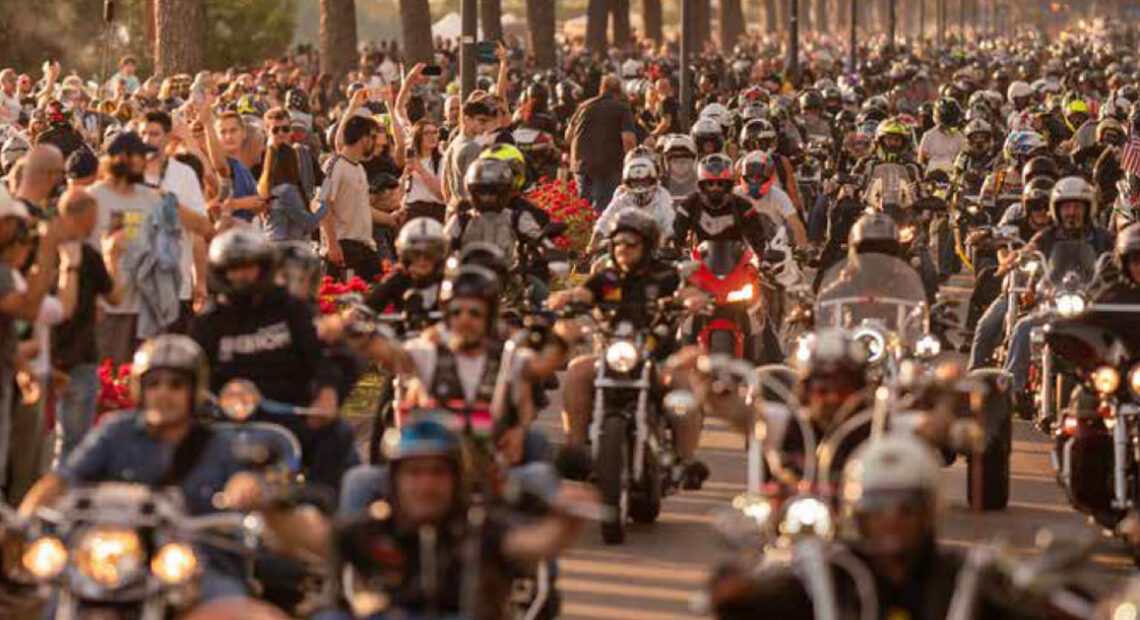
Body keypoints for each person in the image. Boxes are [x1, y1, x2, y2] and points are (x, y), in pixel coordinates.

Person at [20, 334, 320, 602]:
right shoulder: (116, 432)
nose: (163, 393)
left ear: (194, 391)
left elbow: (251, 488)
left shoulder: (220, 445)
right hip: (119, 561)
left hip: (197, 565)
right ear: (140, 389)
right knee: (48, 597)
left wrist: (247, 489)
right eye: (154, 384)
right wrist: (20, 524)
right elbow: (61, 480)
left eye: (176, 384)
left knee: (230, 607)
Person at [300, 417, 593, 619]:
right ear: (393, 481)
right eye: (414, 473)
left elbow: (538, 542)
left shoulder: (480, 529)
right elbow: (307, 534)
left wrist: (567, 519)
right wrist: (275, 505)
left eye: (437, 473)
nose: (426, 485)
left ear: (456, 480)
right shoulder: (369, 530)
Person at [710, 435, 1020, 619]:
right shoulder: (831, 575)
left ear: (928, 513)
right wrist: (738, 590)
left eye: (906, 508)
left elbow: (1024, 607)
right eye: (877, 509)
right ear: (857, 514)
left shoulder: (963, 577)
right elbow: (768, 601)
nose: (891, 520)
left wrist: (1040, 593)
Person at [550, 210, 709, 488]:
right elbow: (584, 293)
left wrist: (692, 300)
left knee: (682, 383)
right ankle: (576, 449)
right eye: (618, 242)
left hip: (658, 359)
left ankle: (685, 462)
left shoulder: (665, 275)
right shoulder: (606, 276)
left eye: (631, 243)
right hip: (612, 356)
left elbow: (686, 292)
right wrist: (566, 297)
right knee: (577, 370)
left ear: (647, 246)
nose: (623, 248)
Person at [191, 227, 357, 491]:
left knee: (338, 434)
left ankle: (321, 502)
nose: (241, 275)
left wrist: (326, 393)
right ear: (220, 272)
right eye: (233, 269)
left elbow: (319, 357)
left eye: (248, 267)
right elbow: (196, 373)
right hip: (229, 419)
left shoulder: (291, 308)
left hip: (290, 413)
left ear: (264, 268)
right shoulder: (208, 321)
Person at [1002, 176, 1115, 406]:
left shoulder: (1103, 238)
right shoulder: (1047, 236)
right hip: (1053, 304)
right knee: (1023, 328)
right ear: (1057, 209)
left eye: (1077, 207)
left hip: (1092, 307)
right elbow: (1030, 249)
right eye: (1066, 207)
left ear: (1088, 208)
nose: (1071, 212)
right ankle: (1011, 391)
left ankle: (1122, 389)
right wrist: (1020, 256)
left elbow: (1121, 253)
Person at [51, 189, 126, 463]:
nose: (96, 224)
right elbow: (115, 296)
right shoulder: (84, 254)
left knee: (52, 441)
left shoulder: (40, 248)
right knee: (75, 442)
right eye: (94, 217)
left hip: (47, 357)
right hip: (77, 358)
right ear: (85, 217)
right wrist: (113, 257)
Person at [141, 110, 209, 330]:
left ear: (168, 137)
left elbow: (202, 228)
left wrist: (200, 280)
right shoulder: (127, 174)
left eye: (154, 134)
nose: (146, 140)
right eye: (143, 134)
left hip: (177, 288)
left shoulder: (184, 174)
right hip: (137, 291)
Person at [323, 113, 382, 282]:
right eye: (373, 137)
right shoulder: (333, 164)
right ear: (363, 139)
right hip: (343, 248)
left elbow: (362, 208)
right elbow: (322, 204)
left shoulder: (360, 168)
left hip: (365, 248)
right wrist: (332, 244)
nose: (375, 142)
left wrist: (391, 218)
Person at [673, 154, 770, 255]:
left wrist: (763, 255)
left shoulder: (742, 206)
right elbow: (677, 233)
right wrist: (674, 250)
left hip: (738, 260)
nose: (715, 188)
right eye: (710, 184)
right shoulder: (690, 205)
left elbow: (758, 237)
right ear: (702, 186)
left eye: (720, 184)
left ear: (728, 185)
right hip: (699, 260)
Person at [566, 75, 636, 210]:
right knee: (603, 208)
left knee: (584, 208)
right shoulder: (622, 109)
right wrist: (630, 163)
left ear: (601, 89)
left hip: (580, 165)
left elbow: (568, 136)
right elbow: (628, 139)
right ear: (619, 92)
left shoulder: (583, 106)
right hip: (608, 166)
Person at [589, 153, 674, 252]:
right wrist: (593, 244)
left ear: (652, 181)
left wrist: (668, 243)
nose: (640, 186)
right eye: (635, 182)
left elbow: (670, 226)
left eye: (643, 181)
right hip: (623, 252)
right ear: (627, 182)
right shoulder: (620, 200)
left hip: (655, 254)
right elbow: (603, 224)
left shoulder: (662, 199)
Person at [366, 217, 447, 320]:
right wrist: (356, 315)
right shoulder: (399, 279)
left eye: (430, 254)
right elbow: (369, 307)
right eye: (415, 254)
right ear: (405, 257)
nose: (422, 260)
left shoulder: (448, 280)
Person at [440, 97, 494, 212]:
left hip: (456, 209)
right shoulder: (472, 148)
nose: (484, 126)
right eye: (481, 121)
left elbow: (445, 188)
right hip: (471, 211)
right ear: (467, 120)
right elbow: (476, 188)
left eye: (486, 122)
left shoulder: (453, 144)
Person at [918, 97, 967, 174]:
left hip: (952, 174)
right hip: (932, 175)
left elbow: (963, 158)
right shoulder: (929, 136)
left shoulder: (959, 137)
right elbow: (921, 160)